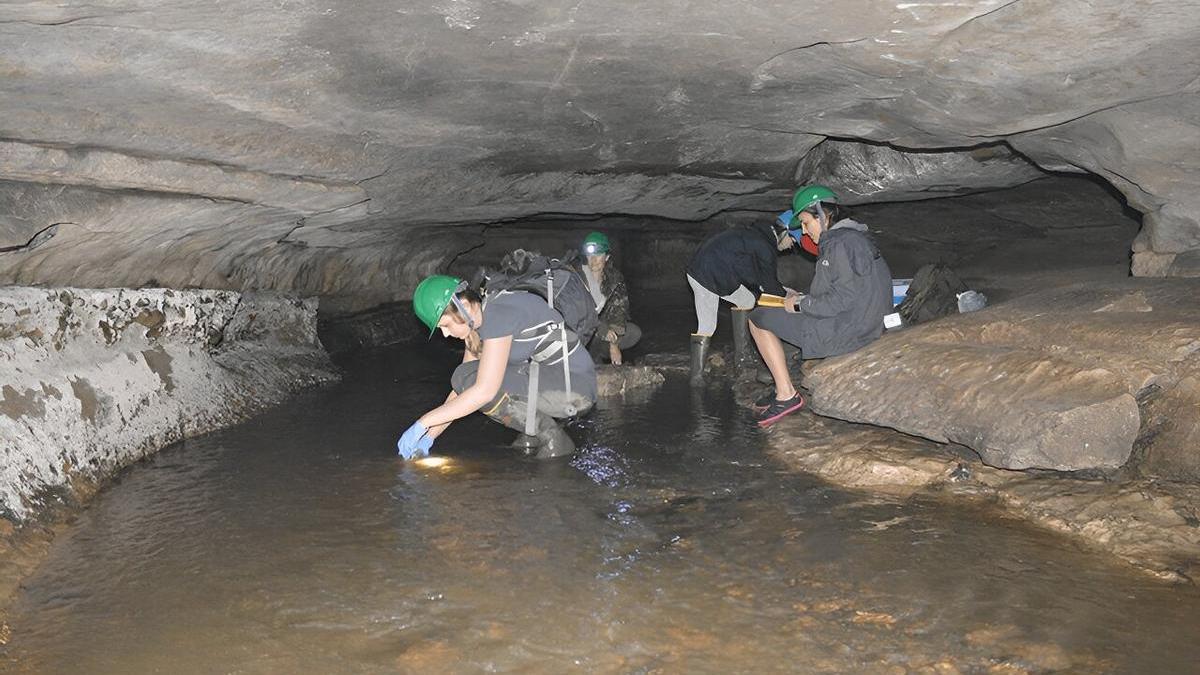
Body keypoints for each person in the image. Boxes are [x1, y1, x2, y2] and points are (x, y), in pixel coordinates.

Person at [396, 275, 597, 460]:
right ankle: (532, 433)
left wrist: (423, 422)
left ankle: (553, 439)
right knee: (464, 376)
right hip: (552, 379)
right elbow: (460, 387)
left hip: (576, 387)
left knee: (478, 383)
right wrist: (430, 436)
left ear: (464, 305)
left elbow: (484, 391)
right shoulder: (477, 324)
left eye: (446, 325)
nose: (446, 335)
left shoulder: (498, 315)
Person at [748, 185, 892, 426]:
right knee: (782, 316)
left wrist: (798, 305)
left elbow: (840, 299)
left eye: (806, 223)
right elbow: (850, 290)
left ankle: (786, 396)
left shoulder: (836, 243)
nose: (804, 232)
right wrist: (806, 299)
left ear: (823, 215)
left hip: (849, 331)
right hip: (871, 325)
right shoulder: (857, 237)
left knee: (758, 317)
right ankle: (781, 382)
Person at [684, 211, 799, 385]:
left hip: (711, 270)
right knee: (707, 324)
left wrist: (781, 290)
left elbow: (756, 277)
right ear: (785, 232)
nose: (792, 246)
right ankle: (696, 378)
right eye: (793, 240)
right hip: (704, 275)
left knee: (746, 300)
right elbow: (768, 288)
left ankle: (742, 356)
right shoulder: (764, 247)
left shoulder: (756, 237)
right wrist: (788, 297)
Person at [578, 231, 641, 365]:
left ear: (606, 257)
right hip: (580, 329)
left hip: (602, 330)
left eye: (598, 255)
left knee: (633, 332)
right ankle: (587, 357)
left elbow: (619, 313)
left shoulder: (615, 280)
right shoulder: (576, 278)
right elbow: (577, 314)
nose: (593, 260)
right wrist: (602, 329)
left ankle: (600, 352)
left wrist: (614, 345)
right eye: (590, 255)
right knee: (590, 335)